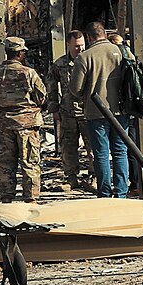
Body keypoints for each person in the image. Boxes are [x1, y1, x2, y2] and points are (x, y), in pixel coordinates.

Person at [0, 36, 48, 203]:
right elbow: (42, 98)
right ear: (20, 54)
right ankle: (31, 197)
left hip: (5, 125)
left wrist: (1, 115)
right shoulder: (29, 74)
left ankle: (6, 196)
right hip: (27, 124)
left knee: (6, 164)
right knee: (30, 162)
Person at [75, 20, 130, 198]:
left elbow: (75, 89)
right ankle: (122, 192)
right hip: (121, 110)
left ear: (89, 37)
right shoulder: (122, 52)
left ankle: (105, 193)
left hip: (96, 112)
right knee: (121, 152)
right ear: (105, 34)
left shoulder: (85, 57)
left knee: (101, 154)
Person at [49, 30, 91, 195]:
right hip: (67, 112)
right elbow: (51, 86)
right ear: (68, 45)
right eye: (76, 46)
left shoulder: (89, 61)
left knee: (92, 147)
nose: (79, 49)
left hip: (88, 111)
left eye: (82, 46)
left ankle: (93, 176)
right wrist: (53, 107)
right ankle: (71, 177)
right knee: (68, 147)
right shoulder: (60, 64)